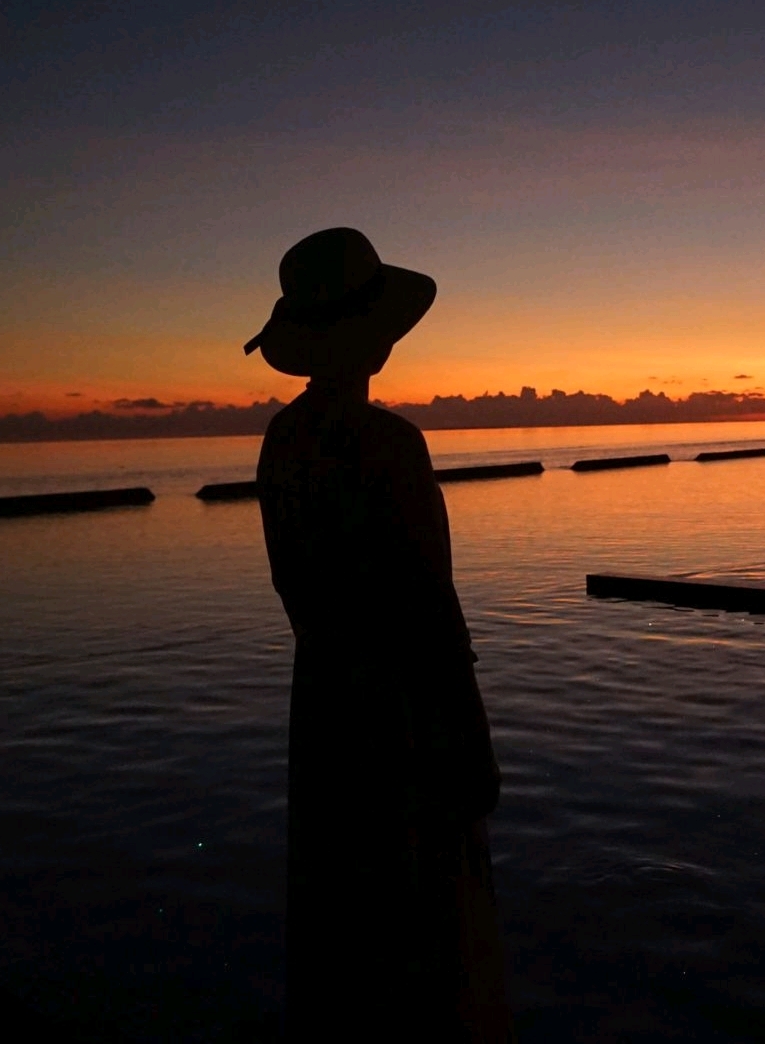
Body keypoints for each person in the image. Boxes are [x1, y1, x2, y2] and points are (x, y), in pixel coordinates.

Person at [246, 228, 511, 1041]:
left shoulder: (282, 443)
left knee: (343, 917)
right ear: (371, 335)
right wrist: (470, 736)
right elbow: (433, 610)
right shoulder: (388, 444)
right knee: (426, 915)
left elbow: (296, 587)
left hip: (324, 700)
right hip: (401, 708)